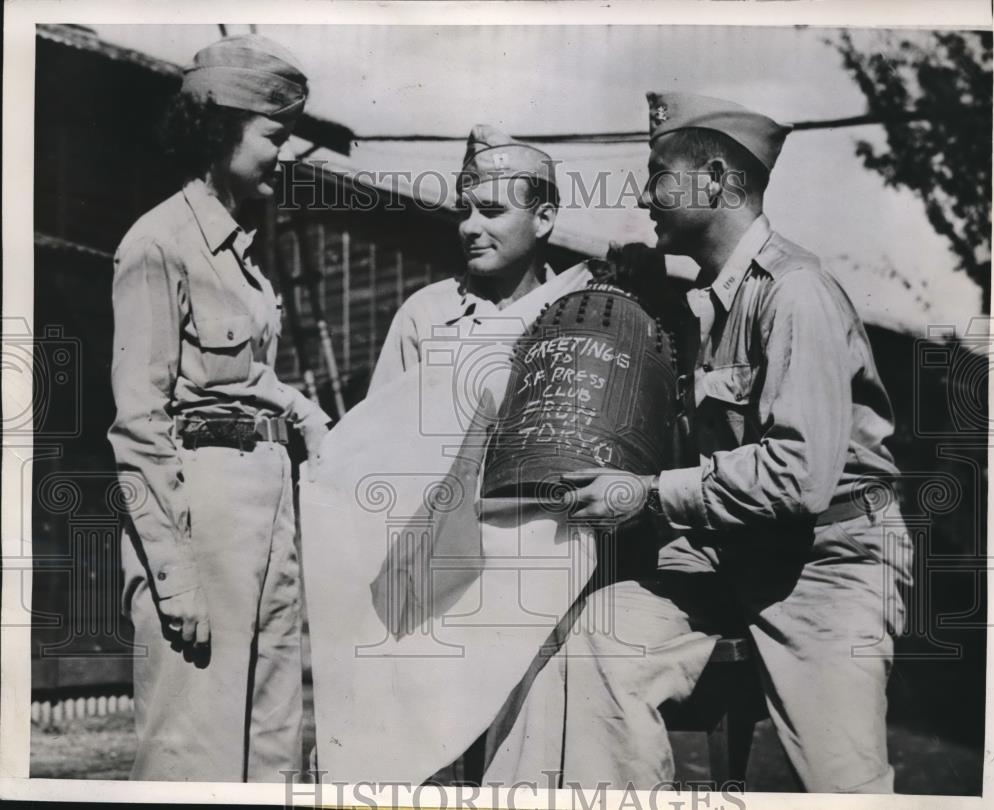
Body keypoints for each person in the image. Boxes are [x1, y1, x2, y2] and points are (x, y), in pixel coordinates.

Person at [482, 92, 913, 793]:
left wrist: (648, 494)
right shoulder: (713, 300)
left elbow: (797, 476)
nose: (644, 195)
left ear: (712, 179)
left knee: (845, 783)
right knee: (597, 640)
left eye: (657, 174)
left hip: (829, 561)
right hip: (728, 552)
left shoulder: (793, 293)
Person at [108, 34, 332, 782]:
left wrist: (302, 411)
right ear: (220, 126)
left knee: (273, 749)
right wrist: (174, 578)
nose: (283, 152)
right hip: (198, 522)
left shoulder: (238, 253)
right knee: (192, 758)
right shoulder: (159, 244)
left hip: (268, 506)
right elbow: (138, 427)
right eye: (275, 134)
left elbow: (239, 378)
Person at [368, 124, 560, 390]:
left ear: (543, 219)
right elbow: (381, 426)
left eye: (492, 211)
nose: (468, 227)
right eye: (463, 211)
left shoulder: (582, 313)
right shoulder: (425, 315)